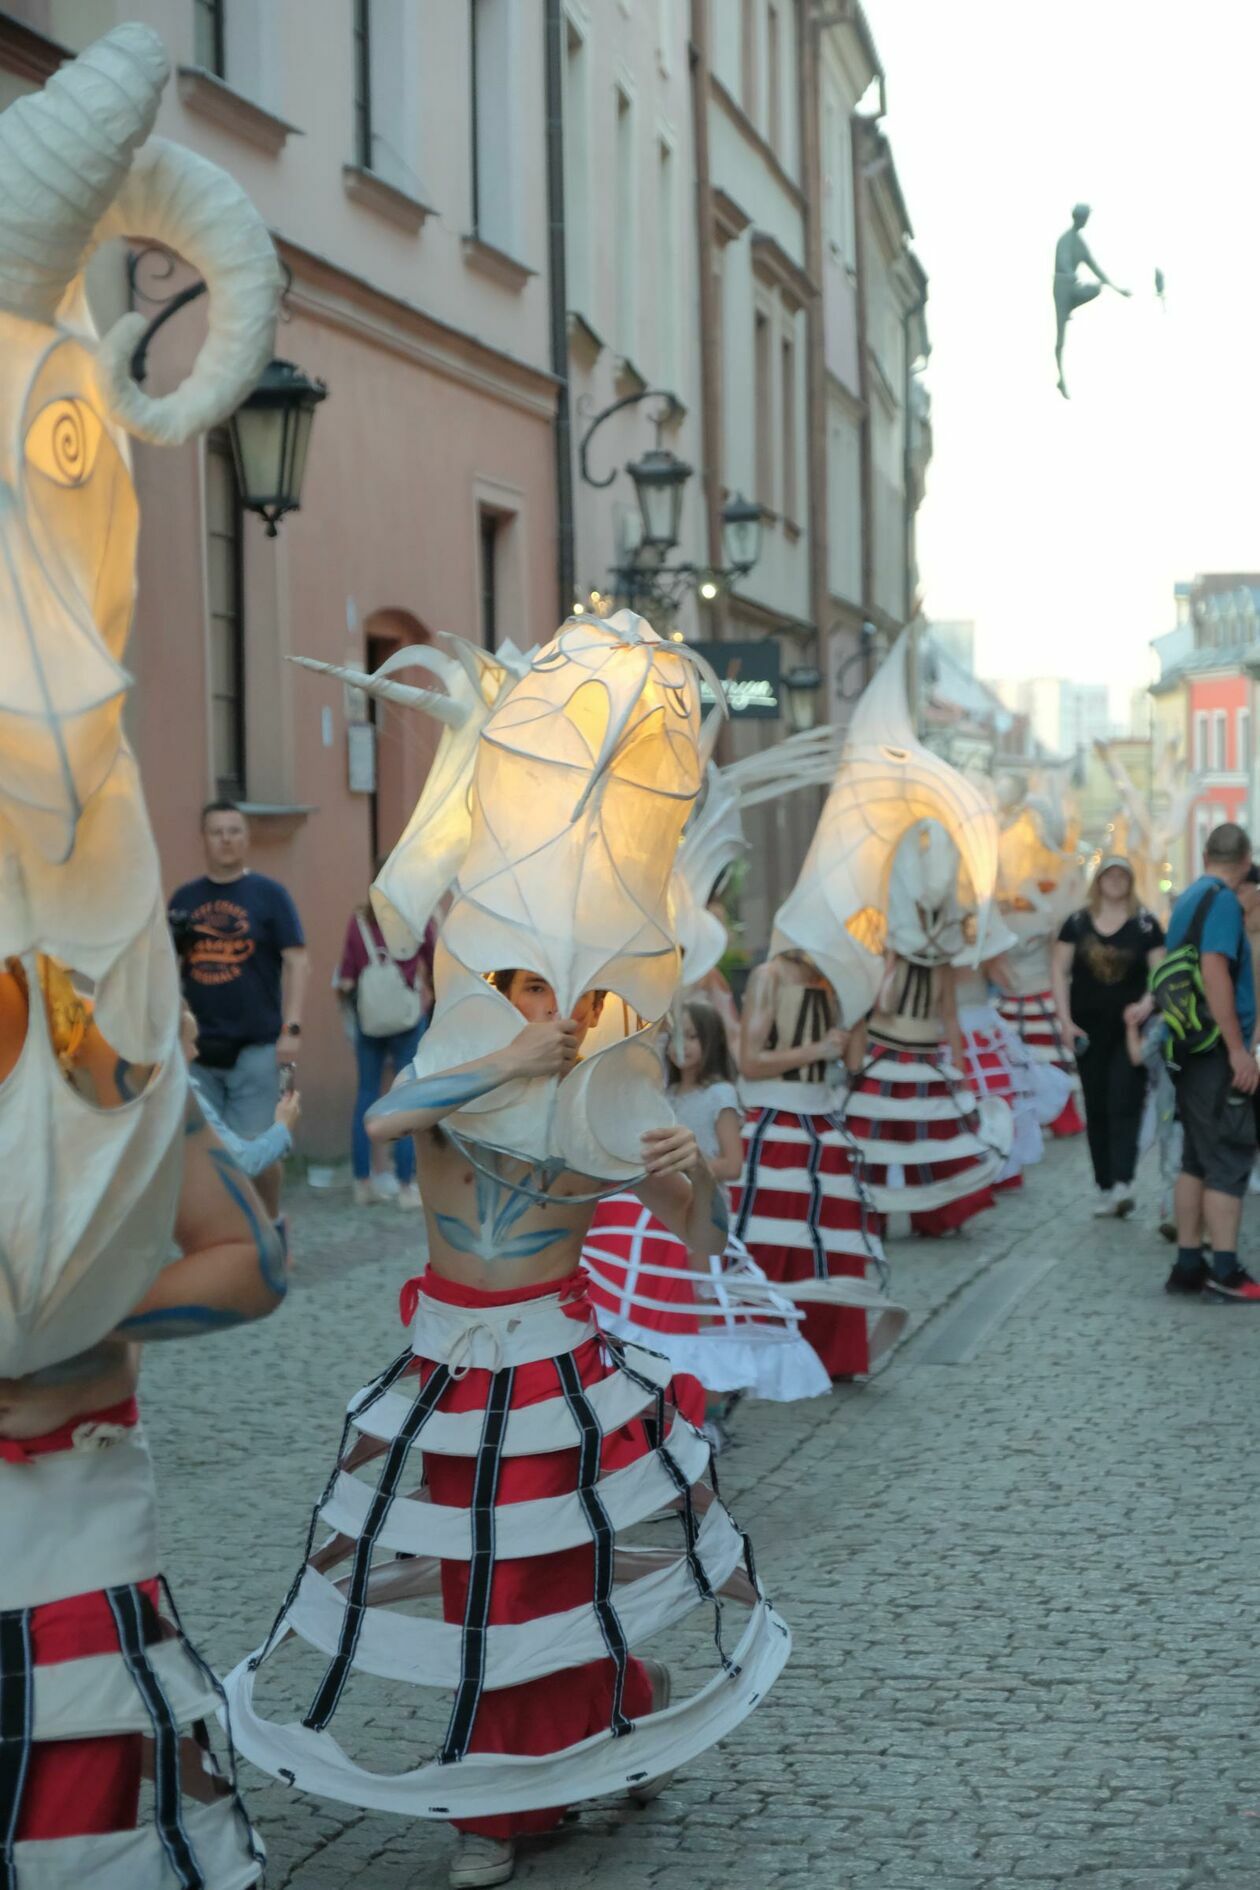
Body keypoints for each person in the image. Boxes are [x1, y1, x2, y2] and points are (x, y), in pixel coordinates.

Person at [224, 970, 789, 1890]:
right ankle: (625, 1701)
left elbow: (705, 1243)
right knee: (479, 1584)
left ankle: (491, 1810)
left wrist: (694, 1170)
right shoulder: (453, 1075)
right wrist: (508, 1059)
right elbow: (379, 1124)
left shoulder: (605, 1106)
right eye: (531, 987)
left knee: (522, 1579)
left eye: (572, 993)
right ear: (497, 992)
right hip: (446, 1374)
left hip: (555, 1373)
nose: (552, 1009)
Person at [0, 956, 287, 1880]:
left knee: (70, 1821)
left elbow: (250, 1260)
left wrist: (57, 1324)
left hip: (69, 1520)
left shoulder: (95, 1036)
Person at [581, 999, 831, 1428]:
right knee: (657, 1303)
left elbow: (732, 1164)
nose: (682, 1046)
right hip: (654, 1215)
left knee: (701, 1311)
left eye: (693, 1037)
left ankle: (707, 1404)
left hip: (701, 1201)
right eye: (674, 1036)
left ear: (710, 1041)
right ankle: (661, 1391)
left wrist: (688, 1168)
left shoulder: (719, 1095)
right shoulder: (662, 1092)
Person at [732, 949, 899, 1378]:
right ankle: (761, 1347)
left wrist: (860, 999)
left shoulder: (840, 977)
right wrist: (815, 1049)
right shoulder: (768, 975)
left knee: (834, 1240)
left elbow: (855, 1062)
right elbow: (749, 1063)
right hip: (773, 1125)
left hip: (823, 1125)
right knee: (771, 1238)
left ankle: (832, 1356)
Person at [168, 801, 308, 1216]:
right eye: (217, 832)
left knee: (260, 1150)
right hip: (197, 1049)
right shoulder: (185, 899)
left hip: (255, 1046)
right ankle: (232, 1240)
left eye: (234, 831)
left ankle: (271, 1226)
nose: (226, 839)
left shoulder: (270, 895)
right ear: (204, 839)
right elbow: (166, 968)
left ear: (246, 838)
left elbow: (298, 961)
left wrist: (293, 1028)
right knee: (205, 1152)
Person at [1161, 823, 1260, 1300]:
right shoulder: (1222, 901)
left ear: (1204, 853)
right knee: (1229, 1152)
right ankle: (1225, 1268)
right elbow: (1215, 967)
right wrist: (1238, 1048)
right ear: (1245, 860)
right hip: (1215, 1051)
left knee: (1196, 1158)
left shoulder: (1187, 898)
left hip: (1187, 1045)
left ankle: (1187, 1265)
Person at [1051, 855, 1165, 1217]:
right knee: (1096, 1106)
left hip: (1130, 1031)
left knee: (1126, 1101)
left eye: (1122, 876)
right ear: (1098, 880)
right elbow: (1058, 969)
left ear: (1130, 881)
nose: (1115, 881)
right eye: (1109, 875)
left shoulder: (1145, 924)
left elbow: (1160, 971)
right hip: (1088, 1031)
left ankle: (1123, 1182)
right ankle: (1104, 1184)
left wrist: (1148, 1003)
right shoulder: (1077, 923)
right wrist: (1065, 1021)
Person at [335, 891, 436, 1208]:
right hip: (406, 1018)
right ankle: (406, 1187)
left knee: (366, 1092)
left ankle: (362, 1182)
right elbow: (435, 962)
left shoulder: (360, 922)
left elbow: (346, 978)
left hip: (370, 1022)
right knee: (405, 1096)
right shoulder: (416, 921)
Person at [183, 1002, 301, 1180]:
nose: (194, 1053)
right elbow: (242, 1162)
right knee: (262, 1173)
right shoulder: (184, 1096)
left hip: (255, 1041)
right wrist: (283, 1126)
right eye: (190, 1043)